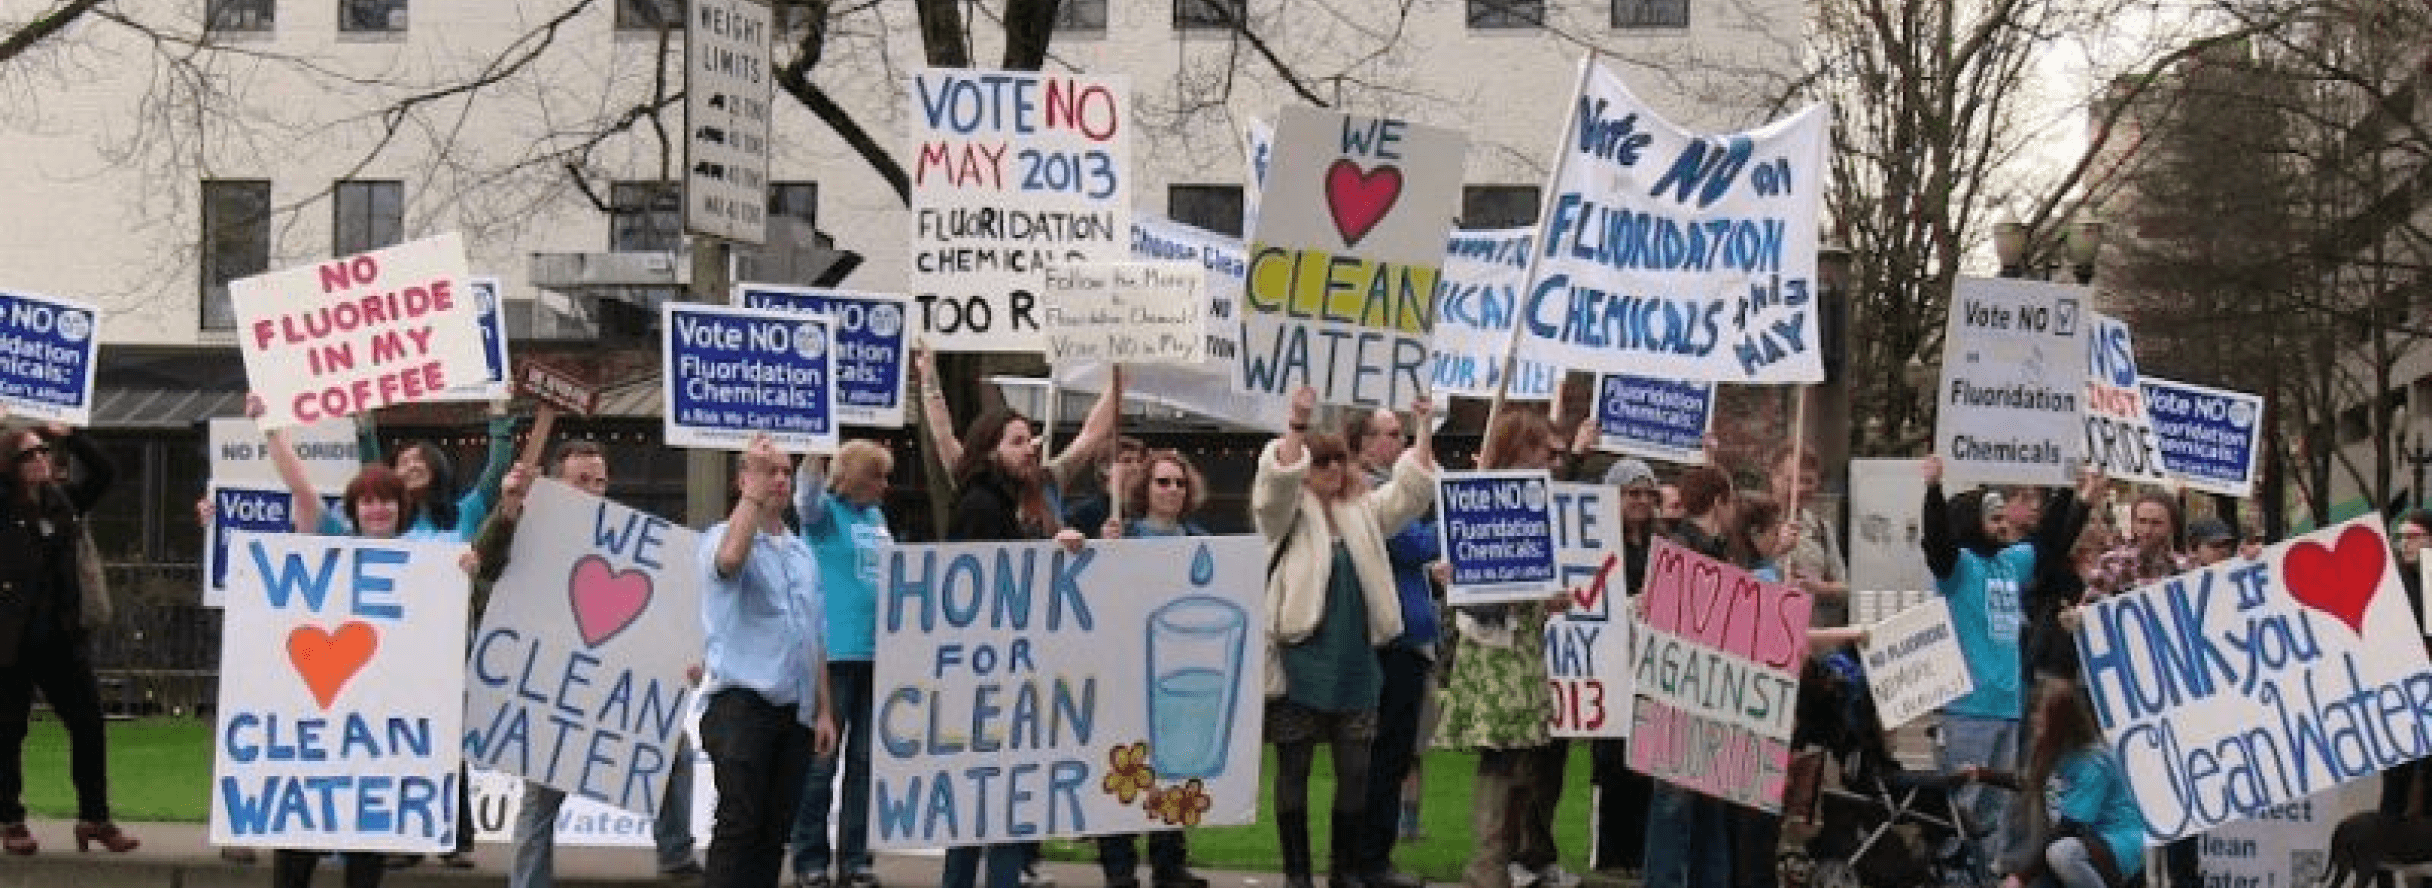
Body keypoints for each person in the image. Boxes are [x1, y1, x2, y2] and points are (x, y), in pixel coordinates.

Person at [464, 442, 702, 887]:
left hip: (611, 686)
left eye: (600, 481)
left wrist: (685, 659)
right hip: (552, 687)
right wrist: (510, 504)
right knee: (541, 794)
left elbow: (663, 612)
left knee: (675, 751)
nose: (594, 490)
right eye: (581, 481)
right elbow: (486, 558)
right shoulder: (530, 528)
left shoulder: (630, 540)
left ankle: (675, 853)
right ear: (555, 485)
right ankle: (529, 881)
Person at [1253, 386, 1438, 888]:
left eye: (1338, 460)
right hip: (1298, 659)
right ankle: (1297, 876)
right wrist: (1297, 423)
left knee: (1356, 776)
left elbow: (1410, 493)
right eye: (1320, 462)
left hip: (1357, 663)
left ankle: (1344, 872)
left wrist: (1422, 426)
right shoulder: (1283, 516)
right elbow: (1274, 484)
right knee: (1293, 774)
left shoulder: (1363, 512)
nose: (1332, 469)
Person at [259, 416, 454, 888]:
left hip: (382, 722)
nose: (378, 509)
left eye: (387, 500)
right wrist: (269, 429)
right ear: (355, 508)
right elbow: (301, 489)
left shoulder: (427, 562)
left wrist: (462, 568)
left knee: (368, 839)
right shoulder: (334, 541)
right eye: (367, 501)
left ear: (402, 508)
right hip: (323, 714)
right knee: (301, 830)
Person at [1919, 456, 2091, 883]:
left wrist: (2071, 492)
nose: (2002, 525)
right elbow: (1937, 543)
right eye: (1993, 518)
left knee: (1998, 813)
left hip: (2008, 708)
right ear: (1971, 522)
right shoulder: (1958, 570)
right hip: (1967, 709)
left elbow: (2050, 541)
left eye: (2002, 517)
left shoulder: (2009, 564)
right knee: (1965, 810)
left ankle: (1988, 879)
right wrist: (1934, 491)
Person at [938, 408, 1082, 888]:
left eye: (1030, 440)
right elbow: (992, 591)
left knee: (984, 814)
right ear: (990, 449)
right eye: (1018, 441)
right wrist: (1048, 555)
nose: (1031, 449)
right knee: (994, 812)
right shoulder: (981, 506)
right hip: (987, 682)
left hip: (991, 678)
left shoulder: (995, 502)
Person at [1435, 411, 1571, 888]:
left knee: (1520, 755)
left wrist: (1547, 597)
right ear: (1516, 450)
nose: (1548, 461)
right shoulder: (1483, 498)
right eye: (1539, 450)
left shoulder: (1537, 503)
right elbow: (1481, 575)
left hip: (1523, 646)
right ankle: (1488, 861)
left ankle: (1502, 857)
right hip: (1494, 649)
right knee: (1500, 754)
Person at [699, 435, 839, 888]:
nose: (779, 479)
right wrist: (752, 499)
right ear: (743, 479)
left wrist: (822, 709)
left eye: (784, 471)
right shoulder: (723, 536)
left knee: (772, 834)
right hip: (741, 705)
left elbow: (814, 634)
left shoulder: (802, 554)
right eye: (766, 470)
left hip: (792, 712)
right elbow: (730, 562)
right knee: (739, 824)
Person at [0, 424, 137, 857]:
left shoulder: (61, 503)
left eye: (43, 451)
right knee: (7, 731)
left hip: (60, 640)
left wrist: (70, 435)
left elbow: (105, 474)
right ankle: (10, 819)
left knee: (89, 723)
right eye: (29, 455)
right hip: (10, 641)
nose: (41, 459)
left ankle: (95, 817)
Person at [1091, 449, 1215, 888]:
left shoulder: (1199, 542)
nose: (1172, 491)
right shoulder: (1122, 537)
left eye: (1179, 483)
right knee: (1124, 768)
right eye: (1163, 482)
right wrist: (1104, 552)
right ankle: (1119, 866)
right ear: (1145, 489)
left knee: (1174, 766)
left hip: (1179, 676)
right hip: (1127, 672)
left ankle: (1169, 862)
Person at [789, 441, 897, 888]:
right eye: (877, 476)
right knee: (822, 762)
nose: (885, 485)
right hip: (833, 654)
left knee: (866, 764)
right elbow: (805, 496)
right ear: (853, 475)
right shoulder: (825, 515)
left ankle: (855, 859)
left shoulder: (877, 518)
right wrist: (816, 445)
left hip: (879, 655)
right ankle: (810, 859)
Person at [1344, 406, 1437, 888]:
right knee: (1376, 757)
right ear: (1361, 442)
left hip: (1409, 638)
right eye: (1388, 434)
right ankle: (1366, 860)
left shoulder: (1393, 488)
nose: (1397, 442)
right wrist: (1450, 530)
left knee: (1394, 756)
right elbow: (1413, 544)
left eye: (1401, 434)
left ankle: (1374, 857)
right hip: (1385, 642)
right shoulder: (1366, 490)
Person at [1641, 464, 1738, 888]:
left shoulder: (1712, 551)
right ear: (1719, 502)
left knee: (1707, 806)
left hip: (1709, 692)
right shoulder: (1681, 551)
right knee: (1675, 804)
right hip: (1680, 696)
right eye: (1731, 501)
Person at [1964, 679, 2147, 888]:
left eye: (2041, 717)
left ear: (2061, 722)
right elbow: (2030, 780)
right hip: (2079, 842)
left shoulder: (2093, 762)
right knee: (2053, 857)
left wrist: (2020, 877)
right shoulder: (2057, 750)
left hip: (2116, 845)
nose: (2035, 721)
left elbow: (2067, 827)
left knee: (2060, 853)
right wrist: (1979, 774)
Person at [1587, 458, 1658, 879]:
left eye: (1649, 494)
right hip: (1609, 664)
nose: (1643, 501)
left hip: (1644, 667)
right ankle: (1608, 854)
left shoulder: (1655, 545)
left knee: (1642, 762)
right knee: (1610, 762)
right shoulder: (1600, 541)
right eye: (1634, 493)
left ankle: (1636, 850)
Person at [1770, 446, 1849, 627]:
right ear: (1774, 477)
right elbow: (1736, 574)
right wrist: (1776, 551)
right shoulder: (1752, 523)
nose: (1801, 488)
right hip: (1763, 636)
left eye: (1809, 481)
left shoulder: (1821, 528)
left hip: (1810, 638)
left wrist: (1821, 588)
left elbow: (1845, 588)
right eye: (1793, 480)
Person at [2085, 491, 2189, 597]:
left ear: (2171, 526)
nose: (2147, 530)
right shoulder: (2111, 562)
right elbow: (2089, 608)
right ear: (2133, 523)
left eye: (2156, 523)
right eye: (2142, 521)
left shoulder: (2184, 568)